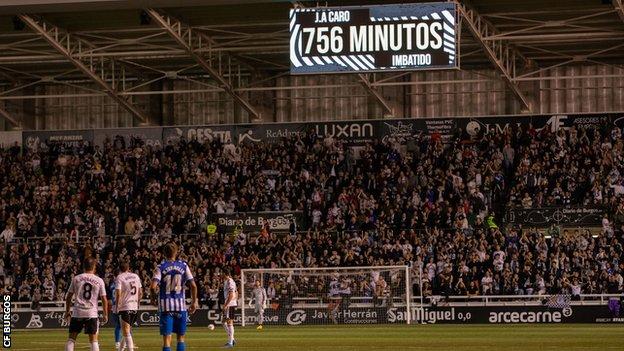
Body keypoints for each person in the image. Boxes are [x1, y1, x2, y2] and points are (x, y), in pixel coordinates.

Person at [151, 242, 198, 351]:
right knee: (181, 338)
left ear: (164, 253)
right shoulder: (184, 265)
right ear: (176, 252)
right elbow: (193, 286)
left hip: (166, 307)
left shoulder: (160, 267)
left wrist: (152, 299)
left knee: (167, 340)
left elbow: (153, 286)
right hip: (180, 307)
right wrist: (193, 302)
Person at [64, 257, 108, 351]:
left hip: (77, 312)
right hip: (91, 313)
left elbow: (68, 297)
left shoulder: (76, 278)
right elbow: (104, 299)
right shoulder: (99, 280)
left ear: (84, 266)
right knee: (93, 341)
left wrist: (67, 311)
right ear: (94, 267)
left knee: (71, 339)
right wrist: (105, 314)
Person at [114, 260, 143, 351]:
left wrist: (117, 306)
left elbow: (118, 293)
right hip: (134, 306)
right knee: (126, 331)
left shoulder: (120, 277)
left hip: (125, 307)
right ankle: (121, 350)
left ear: (120, 269)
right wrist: (137, 303)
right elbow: (140, 292)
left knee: (126, 332)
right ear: (128, 268)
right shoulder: (136, 276)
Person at [221, 268, 238, 348]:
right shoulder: (226, 281)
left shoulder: (230, 281)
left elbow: (231, 294)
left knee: (229, 322)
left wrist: (226, 304)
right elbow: (236, 292)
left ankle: (230, 343)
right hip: (229, 303)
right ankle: (232, 339)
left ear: (225, 274)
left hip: (230, 304)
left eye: (222, 273)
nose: (221, 274)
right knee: (223, 322)